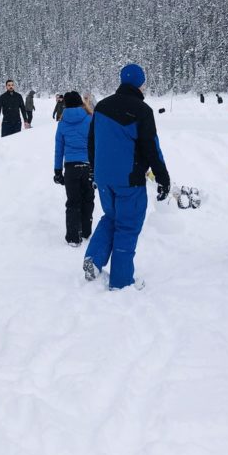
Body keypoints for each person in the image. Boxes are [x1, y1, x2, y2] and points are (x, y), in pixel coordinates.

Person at [84, 63, 170, 290]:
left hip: (104, 178)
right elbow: (152, 147)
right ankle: (122, 281)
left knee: (111, 217)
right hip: (129, 180)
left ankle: (93, 259)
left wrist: (95, 171)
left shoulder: (101, 107)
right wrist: (163, 177)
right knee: (128, 225)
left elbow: (92, 142)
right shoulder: (142, 111)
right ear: (140, 84)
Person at [53, 91, 95, 247]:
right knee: (88, 198)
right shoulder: (90, 119)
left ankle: (72, 237)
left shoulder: (62, 123)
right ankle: (85, 231)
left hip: (70, 167)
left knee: (73, 201)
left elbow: (59, 148)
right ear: (80, 103)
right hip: (88, 165)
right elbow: (96, 145)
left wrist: (58, 171)